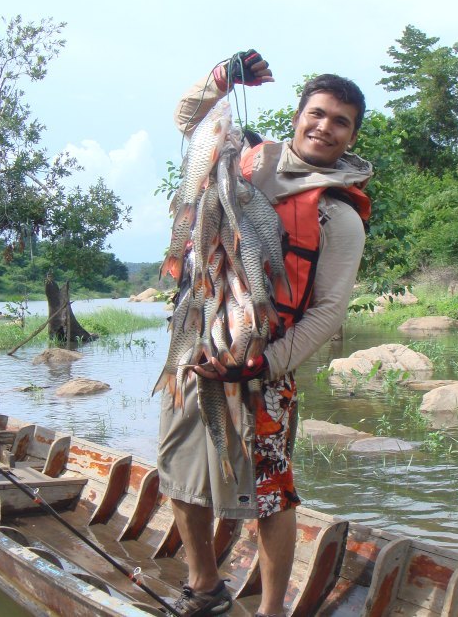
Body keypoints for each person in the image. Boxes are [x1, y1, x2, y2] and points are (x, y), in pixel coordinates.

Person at [157, 49, 372, 617]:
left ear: (352, 137)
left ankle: (272, 609)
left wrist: (261, 364)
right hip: (199, 341)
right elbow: (188, 119)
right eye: (318, 113)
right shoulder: (249, 157)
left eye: (341, 121)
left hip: (262, 366)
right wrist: (222, 79)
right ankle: (205, 584)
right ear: (299, 114)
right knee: (180, 469)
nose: (325, 127)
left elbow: (327, 313)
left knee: (271, 493)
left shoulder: (339, 216)